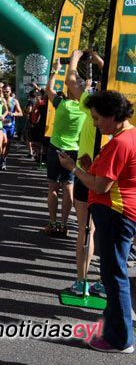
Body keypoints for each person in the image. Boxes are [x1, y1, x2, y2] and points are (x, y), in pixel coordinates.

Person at [57, 90, 136, 354]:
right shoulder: (127, 135)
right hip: (119, 213)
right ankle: (117, 332)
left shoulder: (120, 143)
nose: (94, 124)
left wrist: (73, 169)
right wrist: (92, 166)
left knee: (114, 277)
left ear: (113, 115)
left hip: (115, 214)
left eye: (97, 118)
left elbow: (101, 186)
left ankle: (121, 339)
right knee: (114, 275)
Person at [64, 49, 105, 295]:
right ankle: (104, 281)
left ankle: (81, 281)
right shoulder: (127, 108)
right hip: (113, 176)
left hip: (85, 172)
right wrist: (101, 61)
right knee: (106, 231)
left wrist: (75, 60)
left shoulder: (92, 105)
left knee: (85, 228)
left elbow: (70, 81)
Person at [44, 58, 87, 237]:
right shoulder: (86, 108)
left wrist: (55, 70)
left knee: (53, 187)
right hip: (74, 151)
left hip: (56, 149)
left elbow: (48, 89)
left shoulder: (62, 104)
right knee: (68, 187)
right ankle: (63, 225)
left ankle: (52, 224)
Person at [1, 85, 23, 169]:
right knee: (3, 141)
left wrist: (13, 114)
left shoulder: (14, 101)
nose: (5, 93)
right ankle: (0, 158)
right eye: (4, 91)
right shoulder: (0, 100)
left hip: (10, 126)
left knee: (8, 144)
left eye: (7, 91)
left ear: (10, 91)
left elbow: (21, 113)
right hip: (1, 125)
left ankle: (3, 158)